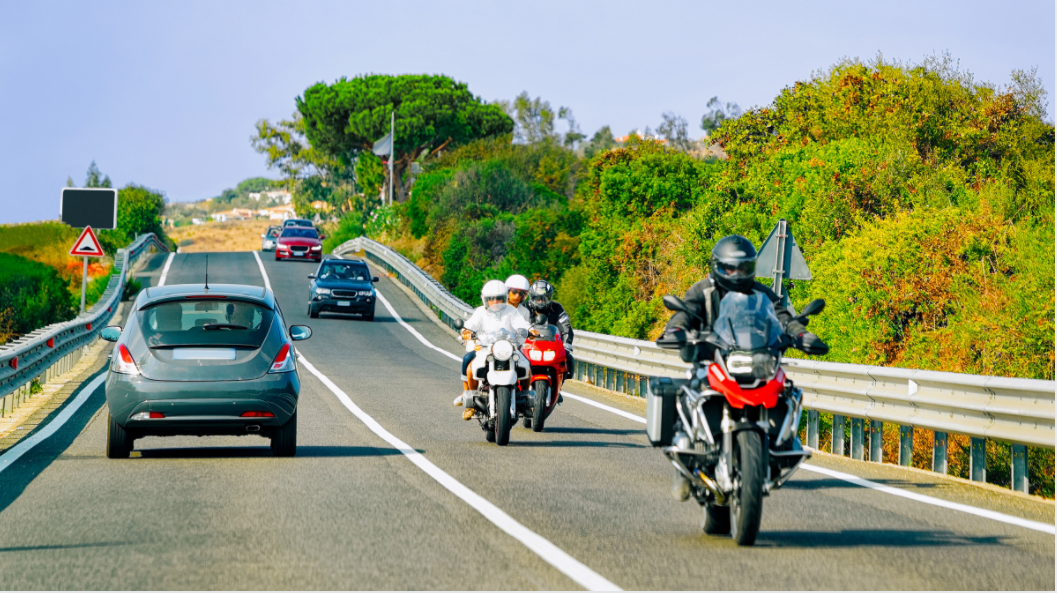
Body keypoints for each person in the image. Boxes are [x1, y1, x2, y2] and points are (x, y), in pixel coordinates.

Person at [662, 234, 827, 500]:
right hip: (712, 360)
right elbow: (685, 312)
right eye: (730, 267)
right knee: (688, 393)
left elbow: (781, 315)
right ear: (717, 266)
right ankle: (684, 463)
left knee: (786, 391)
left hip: (756, 359)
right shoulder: (702, 290)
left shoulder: (760, 293)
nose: (737, 273)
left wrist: (800, 334)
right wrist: (677, 329)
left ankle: (780, 443)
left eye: (744, 267)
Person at [455, 279, 535, 420]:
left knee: (526, 366)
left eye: (499, 298)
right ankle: (472, 401)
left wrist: (530, 330)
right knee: (470, 368)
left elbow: (521, 323)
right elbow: (470, 324)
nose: (495, 301)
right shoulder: (480, 312)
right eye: (491, 298)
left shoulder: (511, 311)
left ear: (505, 298)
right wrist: (466, 331)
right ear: (485, 300)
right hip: (486, 349)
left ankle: (526, 399)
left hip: (509, 348)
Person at [524, 279, 575, 380]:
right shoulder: (524, 308)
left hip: (550, 347)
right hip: (528, 347)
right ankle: (517, 390)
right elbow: (515, 326)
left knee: (567, 359)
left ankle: (558, 385)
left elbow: (565, 326)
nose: (541, 301)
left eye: (545, 298)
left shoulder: (557, 308)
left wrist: (566, 343)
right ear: (532, 297)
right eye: (538, 298)